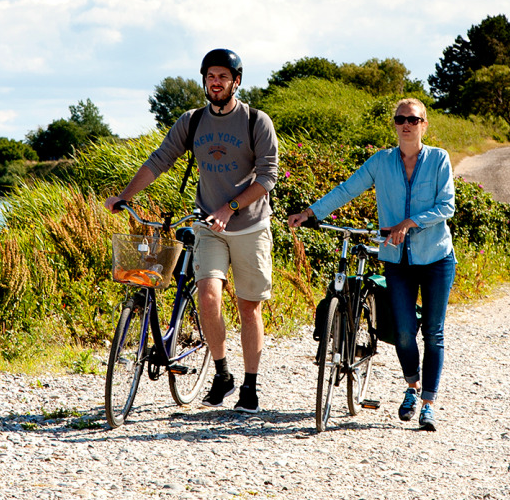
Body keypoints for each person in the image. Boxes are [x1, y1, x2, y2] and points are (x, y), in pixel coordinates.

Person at [105, 49, 279, 413]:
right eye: (210, 76)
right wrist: (124, 195)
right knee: (208, 294)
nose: (215, 82)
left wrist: (229, 208)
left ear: (236, 81)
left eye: (222, 77)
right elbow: (159, 160)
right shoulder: (193, 121)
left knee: (249, 308)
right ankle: (222, 373)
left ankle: (249, 386)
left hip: (250, 226)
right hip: (208, 227)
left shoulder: (255, 121)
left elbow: (267, 177)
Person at [287, 98, 455, 431]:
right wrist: (310, 213)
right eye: (400, 119)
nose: (406, 124)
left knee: (433, 332)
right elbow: (347, 189)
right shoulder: (381, 161)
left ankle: (428, 404)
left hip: (436, 257)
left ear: (424, 124)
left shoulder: (439, 159)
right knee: (405, 332)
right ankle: (412, 387)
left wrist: (409, 222)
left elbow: (446, 206)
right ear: (394, 124)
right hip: (396, 259)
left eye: (413, 119)